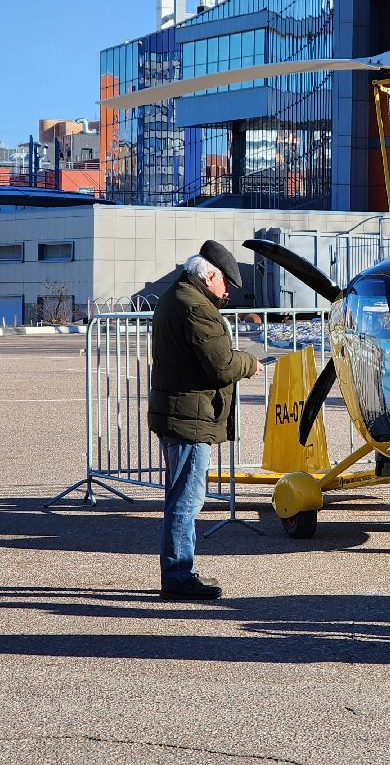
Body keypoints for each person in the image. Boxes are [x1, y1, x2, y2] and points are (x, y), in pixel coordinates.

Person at [148, 240, 261, 602]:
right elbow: (222, 365)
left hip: (179, 411)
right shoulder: (196, 307)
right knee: (186, 501)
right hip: (190, 417)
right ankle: (179, 576)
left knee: (180, 497)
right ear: (210, 275)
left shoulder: (176, 296)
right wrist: (251, 362)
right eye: (226, 282)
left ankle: (180, 571)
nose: (228, 291)